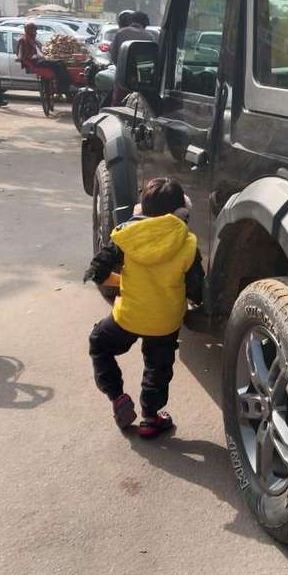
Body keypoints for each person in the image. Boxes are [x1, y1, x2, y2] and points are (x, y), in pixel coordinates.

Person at [83, 177, 202, 437]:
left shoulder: (127, 235)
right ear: (183, 211)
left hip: (128, 316)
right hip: (165, 321)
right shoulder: (188, 242)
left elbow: (98, 270)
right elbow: (196, 287)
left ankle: (117, 398)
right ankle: (150, 419)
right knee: (157, 368)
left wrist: (119, 282)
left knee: (99, 344)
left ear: (141, 209)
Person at [15, 20, 72, 95]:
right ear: (29, 31)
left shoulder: (33, 40)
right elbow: (20, 55)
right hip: (35, 62)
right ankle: (61, 87)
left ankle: (63, 85)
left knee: (60, 64)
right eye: (34, 31)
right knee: (59, 63)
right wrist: (31, 57)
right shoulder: (23, 40)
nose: (36, 33)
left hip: (40, 59)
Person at [110, 9, 154, 104]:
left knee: (117, 106)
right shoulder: (149, 37)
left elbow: (114, 56)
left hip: (122, 79)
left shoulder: (120, 33)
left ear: (131, 21)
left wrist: (121, 67)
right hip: (142, 81)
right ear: (145, 24)